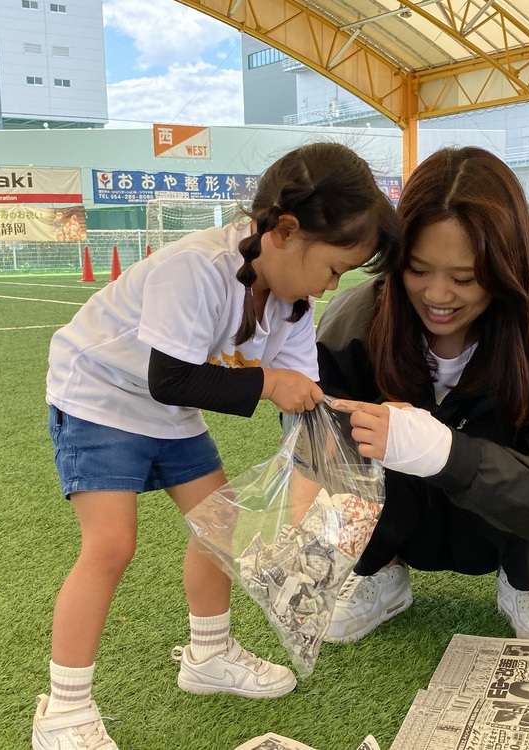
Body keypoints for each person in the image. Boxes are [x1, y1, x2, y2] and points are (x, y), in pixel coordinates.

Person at [32, 142, 398, 750]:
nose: (332, 286)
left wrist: (314, 488)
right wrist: (268, 383)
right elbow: (171, 378)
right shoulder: (197, 268)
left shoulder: (293, 304)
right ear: (285, 231)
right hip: (98, 396)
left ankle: (208, 656)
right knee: (111, 545)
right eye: (334, 268)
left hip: (167, 412)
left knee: (220, 528)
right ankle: (64, 710)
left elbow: (306, 399)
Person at [317, 147, 529, 647]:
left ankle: (522, 578)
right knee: (349, 447)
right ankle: (379, 570)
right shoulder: (351, 329)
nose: (438, 296)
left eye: (465, 277)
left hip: (499, 528)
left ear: (505, 268)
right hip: (394, 516)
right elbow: (314, 458)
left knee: (521, 457)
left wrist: (445, 452)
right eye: (418, 270)